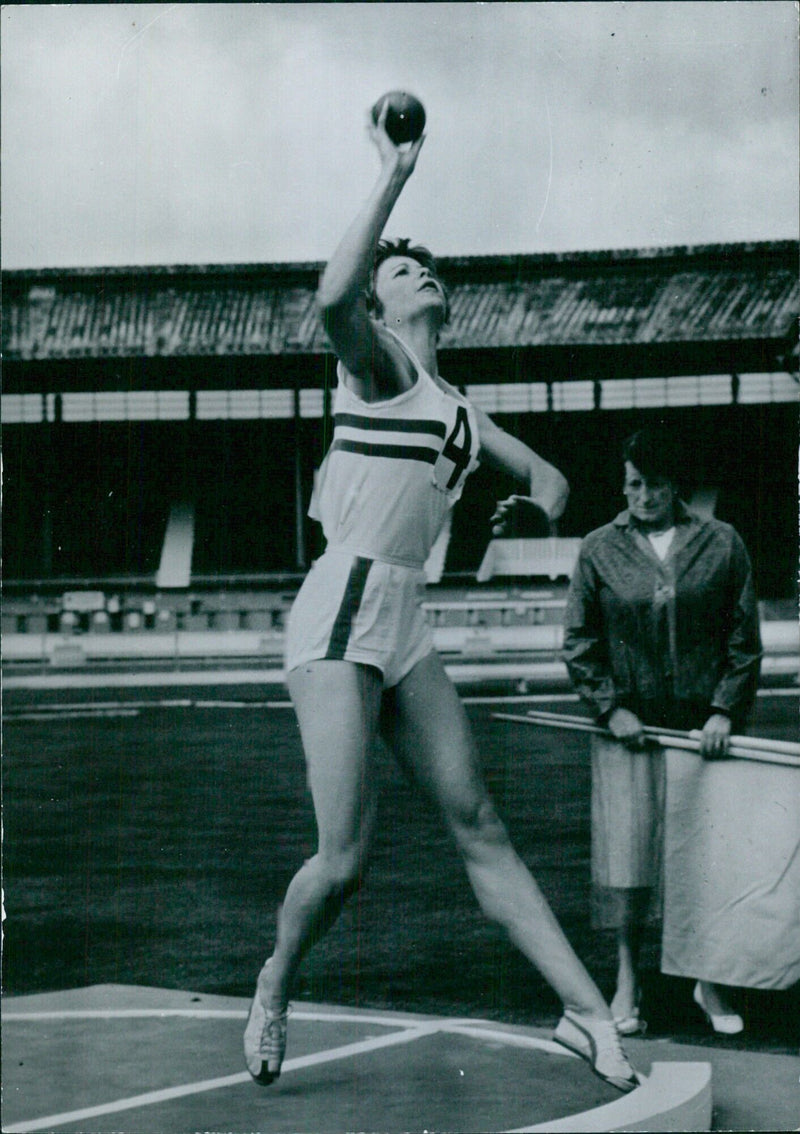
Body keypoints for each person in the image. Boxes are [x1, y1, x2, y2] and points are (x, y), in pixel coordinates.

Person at [243, 102, 639, 1093]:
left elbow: (547, 479)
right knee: (343, 859)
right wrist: (393, 173)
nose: (422, 271)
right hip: (341, 605)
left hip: (407, 613)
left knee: (480, 824)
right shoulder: (377, 369)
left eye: (424, 266)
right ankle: (273, 983)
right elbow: (333, 294)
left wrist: (523, 506)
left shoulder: (457, 406)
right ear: (383, 308)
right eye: (403, 268)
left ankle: (585, 1015)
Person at [563, 427, 762, 1036]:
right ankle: (628, 977)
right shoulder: (599, 549)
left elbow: (742, 641)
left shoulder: (722, 543)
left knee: (705, 860)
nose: (642, 496)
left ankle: (709, 979)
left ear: (675, 484)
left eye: (653, 484)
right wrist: (609, 708)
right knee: (628, 858)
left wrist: (724, 711)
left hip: (704, 735)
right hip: (629, 732)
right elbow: (579, 643)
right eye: (633, 484)